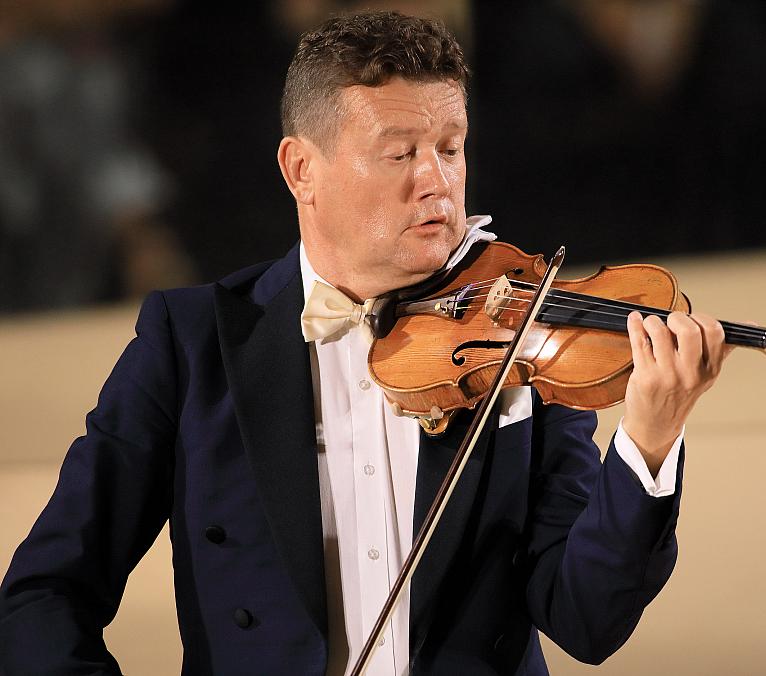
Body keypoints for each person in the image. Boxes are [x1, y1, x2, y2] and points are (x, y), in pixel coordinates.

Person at [0, 11, 729, 675]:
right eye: (399, 153)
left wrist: (649, 443)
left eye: (451, 147)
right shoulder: (191, 345)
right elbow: (43, 594)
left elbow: (588, 619)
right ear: (301, 170)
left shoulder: (521, 339)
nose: (437, 182)